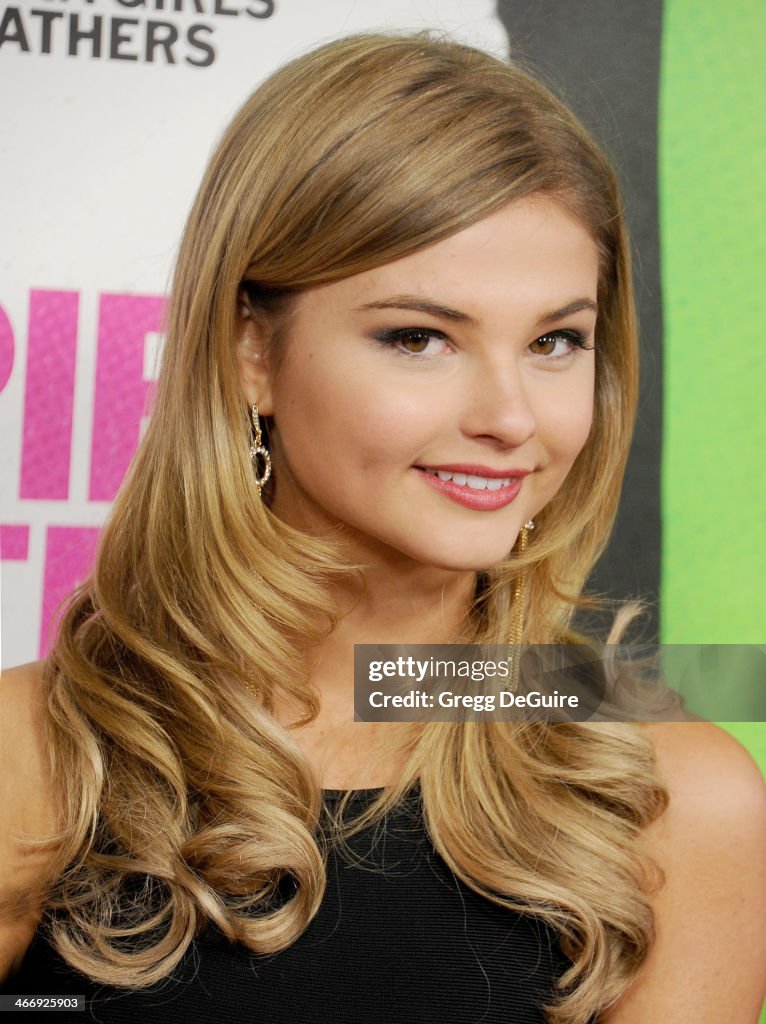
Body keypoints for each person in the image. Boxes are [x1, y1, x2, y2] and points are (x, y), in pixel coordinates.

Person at [1, 32, 765, 1024]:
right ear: (250, 353)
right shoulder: (36, 756)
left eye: (553, 340)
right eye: (419, 336)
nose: (510, 417)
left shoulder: (681, 795)